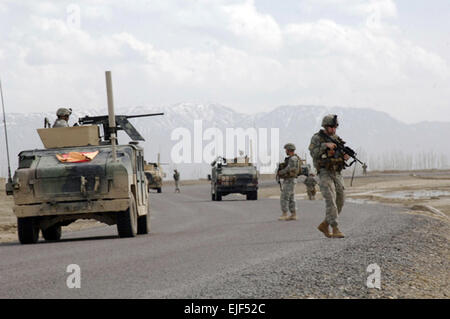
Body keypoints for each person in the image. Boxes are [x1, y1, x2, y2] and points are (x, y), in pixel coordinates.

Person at [309, 114, 350, 238]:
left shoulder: (337, 139)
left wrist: (344, 157)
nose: (333, 129)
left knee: (340, 200)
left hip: (337, 173)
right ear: (325, 127)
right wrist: (324, 146)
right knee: (330, 199)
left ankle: (325, 224)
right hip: (324, 172)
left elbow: (339, 155)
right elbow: (313, 154)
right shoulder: (317, 138)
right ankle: (335, 228)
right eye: (331, 127)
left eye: (335, 127)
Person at [277, 143, 300, 221]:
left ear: (289, 150)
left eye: (286, 150)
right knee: (291, 197)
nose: (285, 151)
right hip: (290, 180)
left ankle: (285, 214)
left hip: (290, 180)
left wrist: (281, 172)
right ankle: (293, 214)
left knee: (284, 197)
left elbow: (289, 168)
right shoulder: (293, 158)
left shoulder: (293, 159)